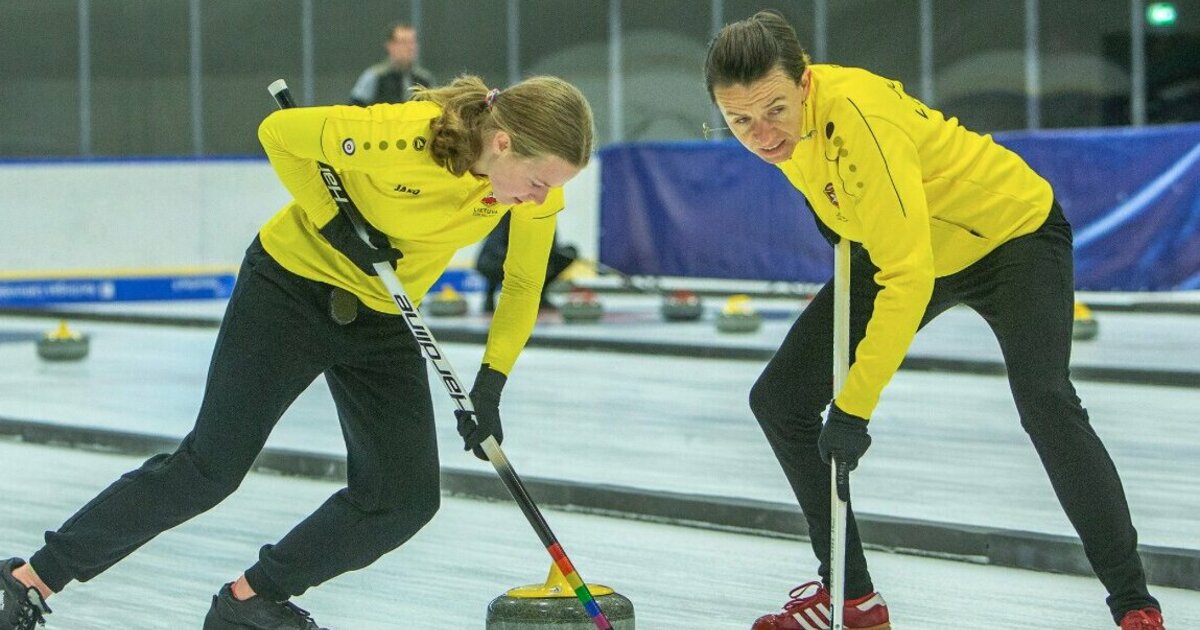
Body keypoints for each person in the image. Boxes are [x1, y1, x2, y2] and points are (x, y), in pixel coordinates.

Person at [0, 75, 593, 630]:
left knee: (403, 498)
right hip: (289, 288)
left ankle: (251, 601)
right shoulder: (410, 132)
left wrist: (491, 384)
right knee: (209, 469)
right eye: (538, 181)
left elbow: (521, 283)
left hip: (382, 317)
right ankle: (30, 581)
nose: (540, 198)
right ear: (503, 140)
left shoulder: (528, 195)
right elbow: (279, 133)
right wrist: (334, 222)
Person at [704, 10, 1164, 630]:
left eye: (775, 111)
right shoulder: (783, 126)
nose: (762, 135)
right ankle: (851, 596)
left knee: (1047, 402)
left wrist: (852, 411)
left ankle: (1134, 603)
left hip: (1010, 237)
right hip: (903, 240)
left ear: (806, 83)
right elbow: (852, 206)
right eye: (740, 122)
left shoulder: (859, 119)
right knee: (780, 399)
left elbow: (909, 277)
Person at [475, 212, 578, 313]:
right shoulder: (509, 214)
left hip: (529, 260)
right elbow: (494, 247)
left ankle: (540, 296)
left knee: (566, 254)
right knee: (495, 262)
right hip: (499, 260)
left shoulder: (546, 216)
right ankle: (490, 296)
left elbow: (552, 247)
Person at [349, 22, 436, 106]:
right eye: (404, 42)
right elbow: (354, 108)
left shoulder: (424, 79)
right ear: (390, 45)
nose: (410, 47)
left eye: (413, 42)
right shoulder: (375, 76)